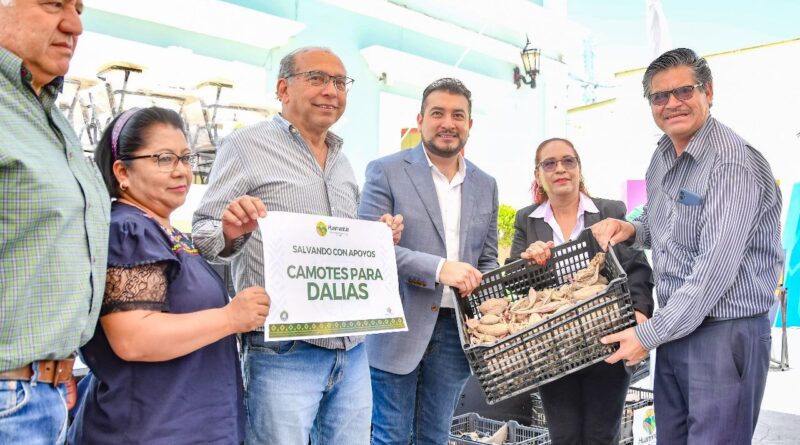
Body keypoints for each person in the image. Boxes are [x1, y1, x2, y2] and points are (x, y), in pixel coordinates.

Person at [192, 47, 402, 445]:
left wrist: (376, 238)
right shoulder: (245, 146)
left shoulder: (342, 161)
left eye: (339, 82)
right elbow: (203, 231)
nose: (331, 91)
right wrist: (233, 230)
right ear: (283, 89)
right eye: (317, 78)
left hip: (351, 347)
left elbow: (339, 241)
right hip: (284, 350)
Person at [592, 48, 783, 444]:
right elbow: (662, 223)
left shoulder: (731, 163)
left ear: (707, 91)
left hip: (724, 333)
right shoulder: (663, 156)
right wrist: (630, 229)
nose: (672, 103)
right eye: (660, 96)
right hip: (676, 328)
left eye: (684, 90)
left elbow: (712, 273)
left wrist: (646, 336)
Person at [67, 106, 270, 444]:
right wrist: (230, 318)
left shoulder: (164, 231)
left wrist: (229, 235)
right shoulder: (129, 229)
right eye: (163, 159)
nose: (181, 171)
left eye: (186, 158)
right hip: (149, 429)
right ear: (122, 171)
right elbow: (134, 338)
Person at [358, 77, 499, 445]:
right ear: (420, 120)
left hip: (457, 332)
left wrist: (490, 300)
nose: (447, 123)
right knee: (391, 437)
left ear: (470, 124)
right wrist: (439, 268)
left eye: (458, 115)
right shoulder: (385, 170)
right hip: (396, 324)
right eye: (438, 113)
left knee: (435, 437)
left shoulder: (486, 184)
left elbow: (487, 259)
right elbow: (370, 247)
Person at [0, 1, 109, 443]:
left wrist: (54, 371)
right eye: (53, 3)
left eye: (79, 8)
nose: (75, 24)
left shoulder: (47, 114)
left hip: (44, 393)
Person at [508, 138, 654, 445]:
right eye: (550, 163)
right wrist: (530, 261)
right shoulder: (526, 220)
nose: (560, 169)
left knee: (602, 435)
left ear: (578, 168)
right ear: (538, 175)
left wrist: (640, 315)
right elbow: (515, 284)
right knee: (564, 436)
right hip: (553, 350)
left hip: (607, 340)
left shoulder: (609, 211)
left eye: (568, 161)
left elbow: (637, 269)